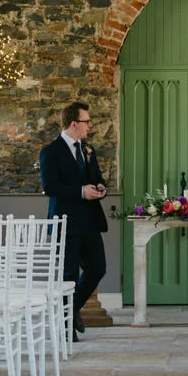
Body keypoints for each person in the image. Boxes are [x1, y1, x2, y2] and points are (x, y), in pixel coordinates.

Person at [39, 101, 107, 340]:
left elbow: (97, 178)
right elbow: (50, 187)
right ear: (74, 123)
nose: (90, 125)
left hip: (89, 220)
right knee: (67, 274)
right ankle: (66, 329)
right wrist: (80, 192)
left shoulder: (88, 150)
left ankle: (72, 308)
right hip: (65, 222)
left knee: (98, 267)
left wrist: (100, 188)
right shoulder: (50, 151)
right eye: (87, 121)